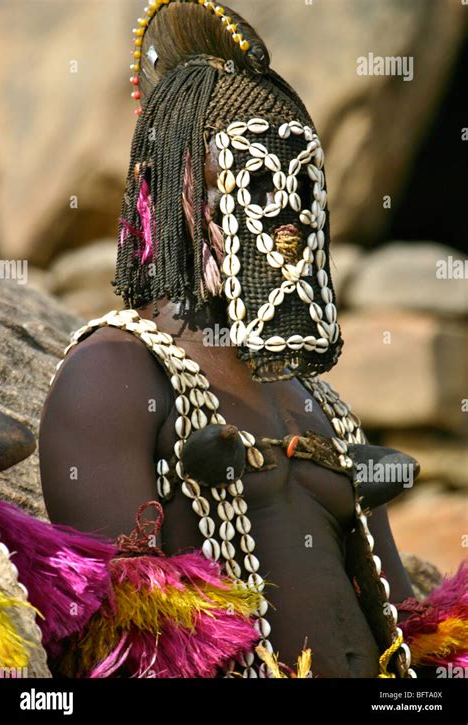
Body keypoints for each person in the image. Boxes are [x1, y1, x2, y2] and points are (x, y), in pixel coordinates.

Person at [38, 0, 417, 678]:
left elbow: (404, 622)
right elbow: (123, 648)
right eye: (251, 186)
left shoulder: (315, 400)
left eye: (300, 191)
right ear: (177, 194)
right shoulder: (115, 377)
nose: (284, 224)